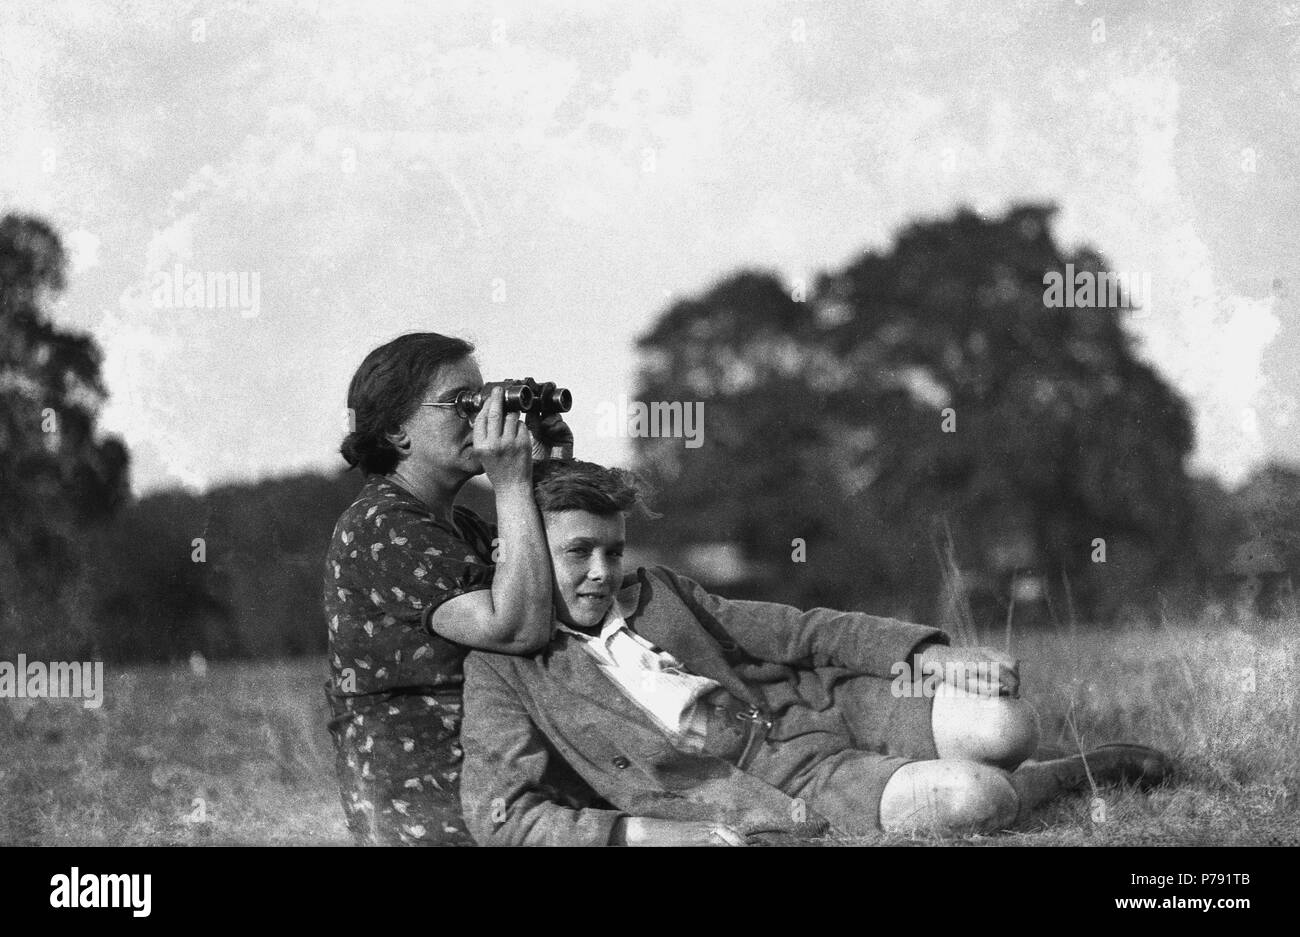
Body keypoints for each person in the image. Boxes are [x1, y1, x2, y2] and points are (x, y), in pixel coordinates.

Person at [459, 459, 1172, 846]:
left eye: (612, 550)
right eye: (577, 551)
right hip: (788, 782)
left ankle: (995, 760)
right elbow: (505, 816)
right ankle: (1064, 778)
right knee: (974, 797)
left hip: (822, 706)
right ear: (516, 548)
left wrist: (930, 655)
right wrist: (650, 834)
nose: (601, 572)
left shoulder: (659, 591)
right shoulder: (501, 665)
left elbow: (802, 632)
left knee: (1004, 722)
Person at [323, 332, 571, 845]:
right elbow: (519, 627)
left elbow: (562, 595)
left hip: (493, 781)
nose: (484, 417)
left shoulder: (458, 526)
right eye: (464, 403)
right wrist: (509, 484)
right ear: (397, 431)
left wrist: (553, 465)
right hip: (425, 803)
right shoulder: (381, 527)